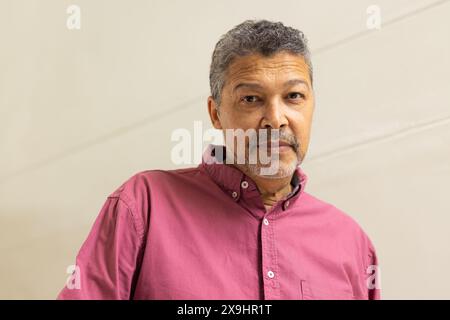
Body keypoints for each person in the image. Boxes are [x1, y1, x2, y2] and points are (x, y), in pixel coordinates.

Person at [57, 19, 380, 300]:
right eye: (251, 99)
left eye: (293, 96)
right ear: (216, 114)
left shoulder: (351, 242)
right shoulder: (143, 206)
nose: (276, 119)